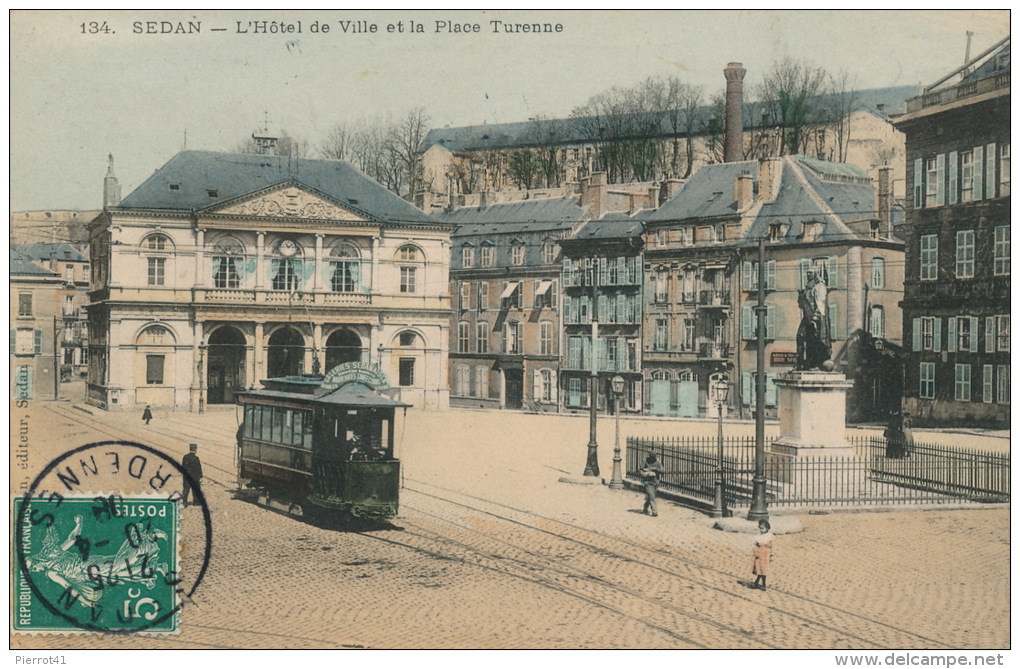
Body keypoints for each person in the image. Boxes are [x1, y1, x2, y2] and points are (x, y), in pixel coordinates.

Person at [751, 519, 774, 591]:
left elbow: (772, 546)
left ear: (767, 528)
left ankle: (763, 584)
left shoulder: (769, 536)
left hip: (765, 554)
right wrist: (754, 552)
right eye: (760, 528)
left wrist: (772, 555)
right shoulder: (758, 536)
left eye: (762, 528)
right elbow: (754, 545)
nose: (761, 530)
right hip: (758, 554)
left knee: (763, 570)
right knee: (758, 569)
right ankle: (757, 582)